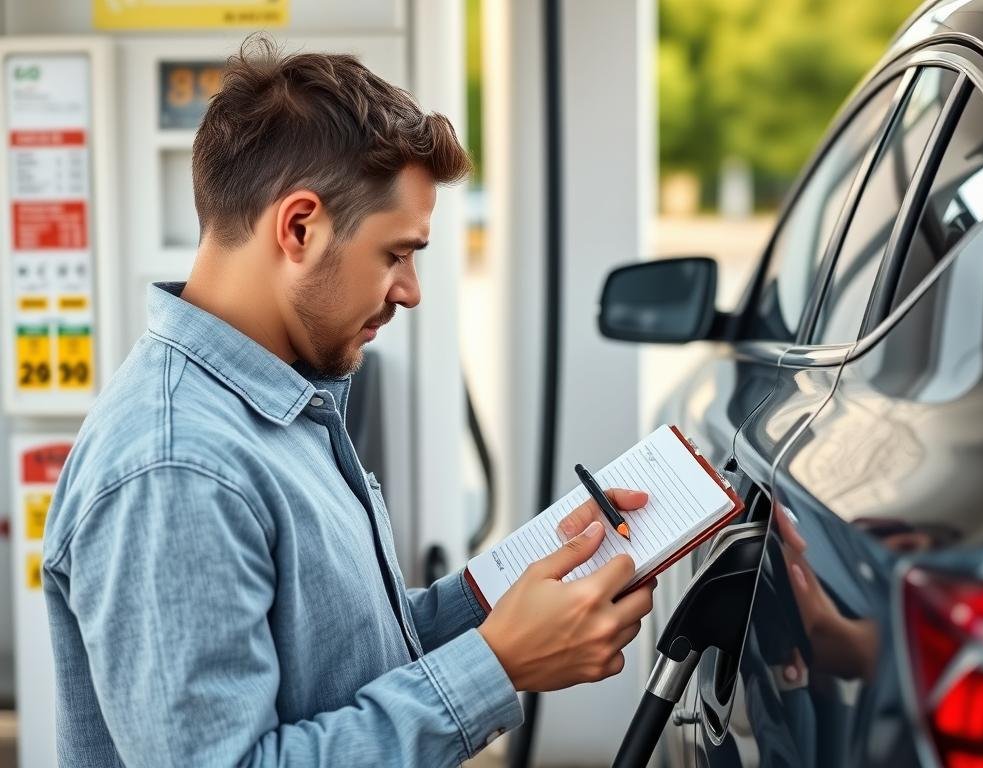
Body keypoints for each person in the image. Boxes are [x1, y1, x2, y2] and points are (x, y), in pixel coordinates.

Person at [42, 37, 656, 767]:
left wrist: (504, 592)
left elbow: (344, 659)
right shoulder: (177, 469)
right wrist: (497, 666)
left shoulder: (274, 406)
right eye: (396, 253)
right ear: (299, 227)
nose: (411, 291)